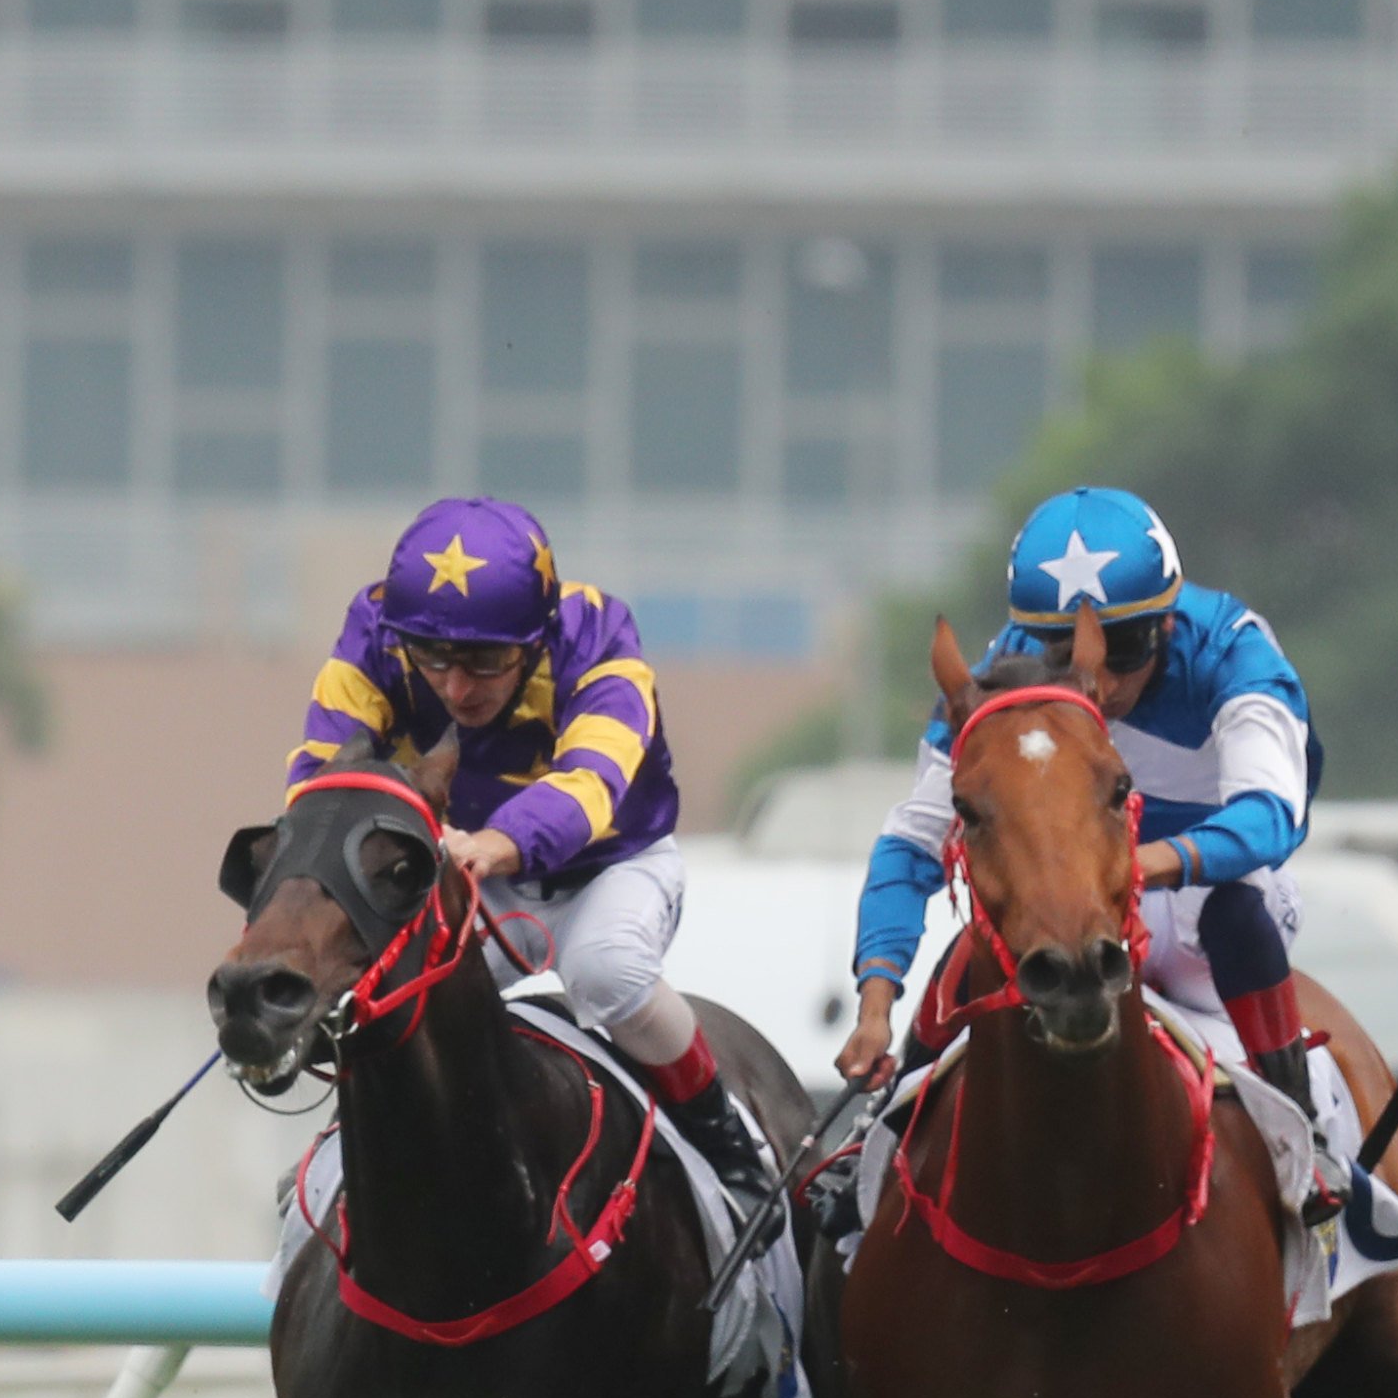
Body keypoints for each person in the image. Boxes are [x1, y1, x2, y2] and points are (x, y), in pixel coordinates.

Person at [284, 494, 772, 1195]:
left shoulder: (599, 636)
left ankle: (721, 1129)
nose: (455, 686)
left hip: (610, 866)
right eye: (432, 657)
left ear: (537, 638)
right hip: (482, 878)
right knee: (380, 988)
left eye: (484, 659)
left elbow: (591, 783)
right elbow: (322, 773)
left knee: (605, 969)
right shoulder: (378, 630)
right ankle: (343, 1159)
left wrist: (492, 844)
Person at [835, 486, 1330, 1170]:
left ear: (1166, 622)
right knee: (967, 951)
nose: (1097, 674)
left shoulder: (1231, 653)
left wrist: (1133, 864)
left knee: (1236, 916)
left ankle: (1305, 1144)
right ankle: (879, 1140)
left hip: (1204, 897)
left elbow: (1271, 817)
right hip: (1071, 898)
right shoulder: (1005, 672)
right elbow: (910, 842)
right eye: (1058, 648)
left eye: (1120, 646)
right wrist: (874, 1002)